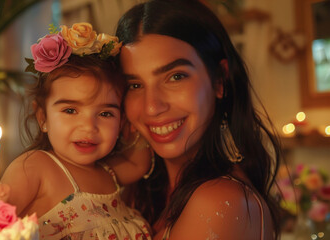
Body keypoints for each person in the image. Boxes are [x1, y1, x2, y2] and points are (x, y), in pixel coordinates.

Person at [115, 0, 282, 239]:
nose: (152, 107)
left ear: (219, 80)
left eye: (176, 76)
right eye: (134, 84)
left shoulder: (219, 201)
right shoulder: (144, 191)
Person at [0, 22, 152, 240]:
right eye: (70, 110)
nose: (88, 127)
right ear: (43, 117)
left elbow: (139, 163)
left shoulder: (108, 173)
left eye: (106, 114)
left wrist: (138, 114)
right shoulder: (35, 168)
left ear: (121, 120)